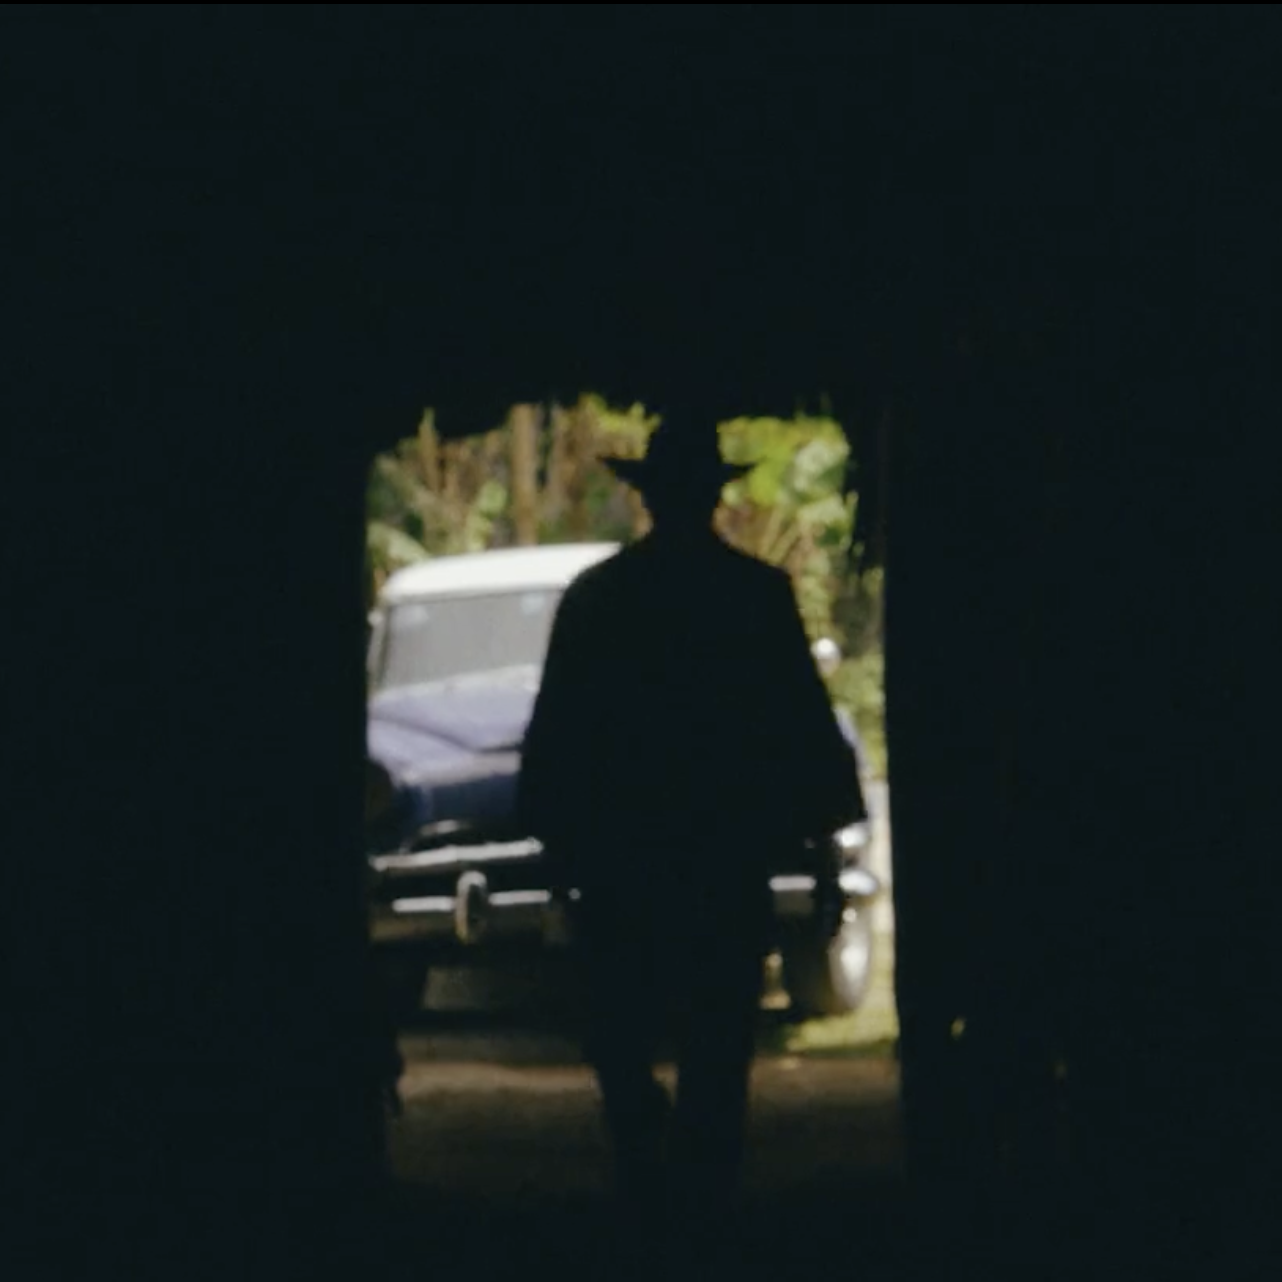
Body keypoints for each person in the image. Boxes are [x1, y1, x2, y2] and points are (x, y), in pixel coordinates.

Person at [516, 418, 864, 1235]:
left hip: (622, 863)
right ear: (714, 495)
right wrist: (821, 857)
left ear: (648, 496)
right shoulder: (755, 596)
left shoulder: (599, 598)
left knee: (622, 1031)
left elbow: (559, 737)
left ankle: (648, 1182)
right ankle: (703, 1202)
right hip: (723, 862)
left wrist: (561, 859)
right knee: (718, 1038)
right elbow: (803, 735)